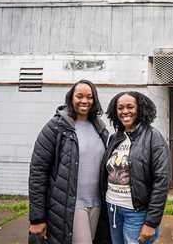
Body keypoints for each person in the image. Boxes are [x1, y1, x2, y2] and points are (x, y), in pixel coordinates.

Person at [28, 79, 110, 244]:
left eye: (89, 97)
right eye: (79, 96)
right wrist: (37, 218)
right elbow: (38, 172)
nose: (84, 101)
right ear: (71, 98)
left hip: (96, 204)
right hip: (70, 205)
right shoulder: (56, 126)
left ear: (94, 100)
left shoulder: (99, 127)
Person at [101, 91, 170, 244]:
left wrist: (151, 222)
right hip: (112, 207)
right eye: (120, 108)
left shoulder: (153, 137)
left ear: (140, 109)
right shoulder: (115, 138)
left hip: (137, 213)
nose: (125, 111)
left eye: (130, 107)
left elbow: (161, 181)